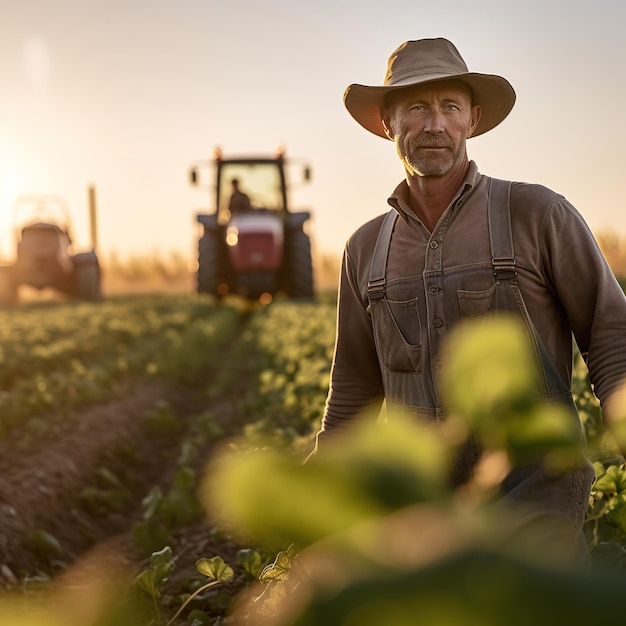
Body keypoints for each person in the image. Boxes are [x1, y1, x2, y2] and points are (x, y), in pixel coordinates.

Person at [310, 38, 626, 555]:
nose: (434, 124)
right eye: (416, 107)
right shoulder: (364, 248)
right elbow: (352, 391)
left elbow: (612, 335)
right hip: (418, 509)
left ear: (472, 120)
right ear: (388, 123)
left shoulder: (537, 214)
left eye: (449, 107)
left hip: (534, 495)